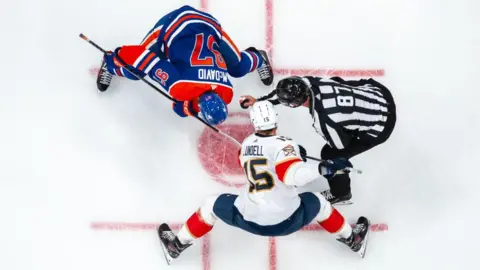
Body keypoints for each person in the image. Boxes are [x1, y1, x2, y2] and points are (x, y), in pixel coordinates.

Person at [157, 101, 370, 264]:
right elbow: (291, 175)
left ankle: (176, 246)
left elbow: (248, 159)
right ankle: (353, 240)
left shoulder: (248, 143)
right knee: (320, 203)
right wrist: (322, 167)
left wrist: (294, 156)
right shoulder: (285, 143)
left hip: (249, 218)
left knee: (211, 206)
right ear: (275, 120)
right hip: (287, 220)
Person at [96, 5, 273, 126]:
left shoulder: (226, 92)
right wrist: (115, 58)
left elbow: (191, 102)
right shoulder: (180, 87)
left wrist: (190, 107)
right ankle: (109, 65)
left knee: (239, 67)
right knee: (135, 71)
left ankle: (259, 58)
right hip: (174, 25)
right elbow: (146, 59)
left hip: (209, 25)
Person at [240, 76, 396, 205]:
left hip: (381, 125)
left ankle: (341, 193)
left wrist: (344, 128)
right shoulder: (312, 83)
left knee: (330, 154)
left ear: (294, 105)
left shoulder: (324, 121)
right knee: (338, 82)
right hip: (378, 93)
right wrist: (259, 101)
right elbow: (285, 91)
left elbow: (340, 145)